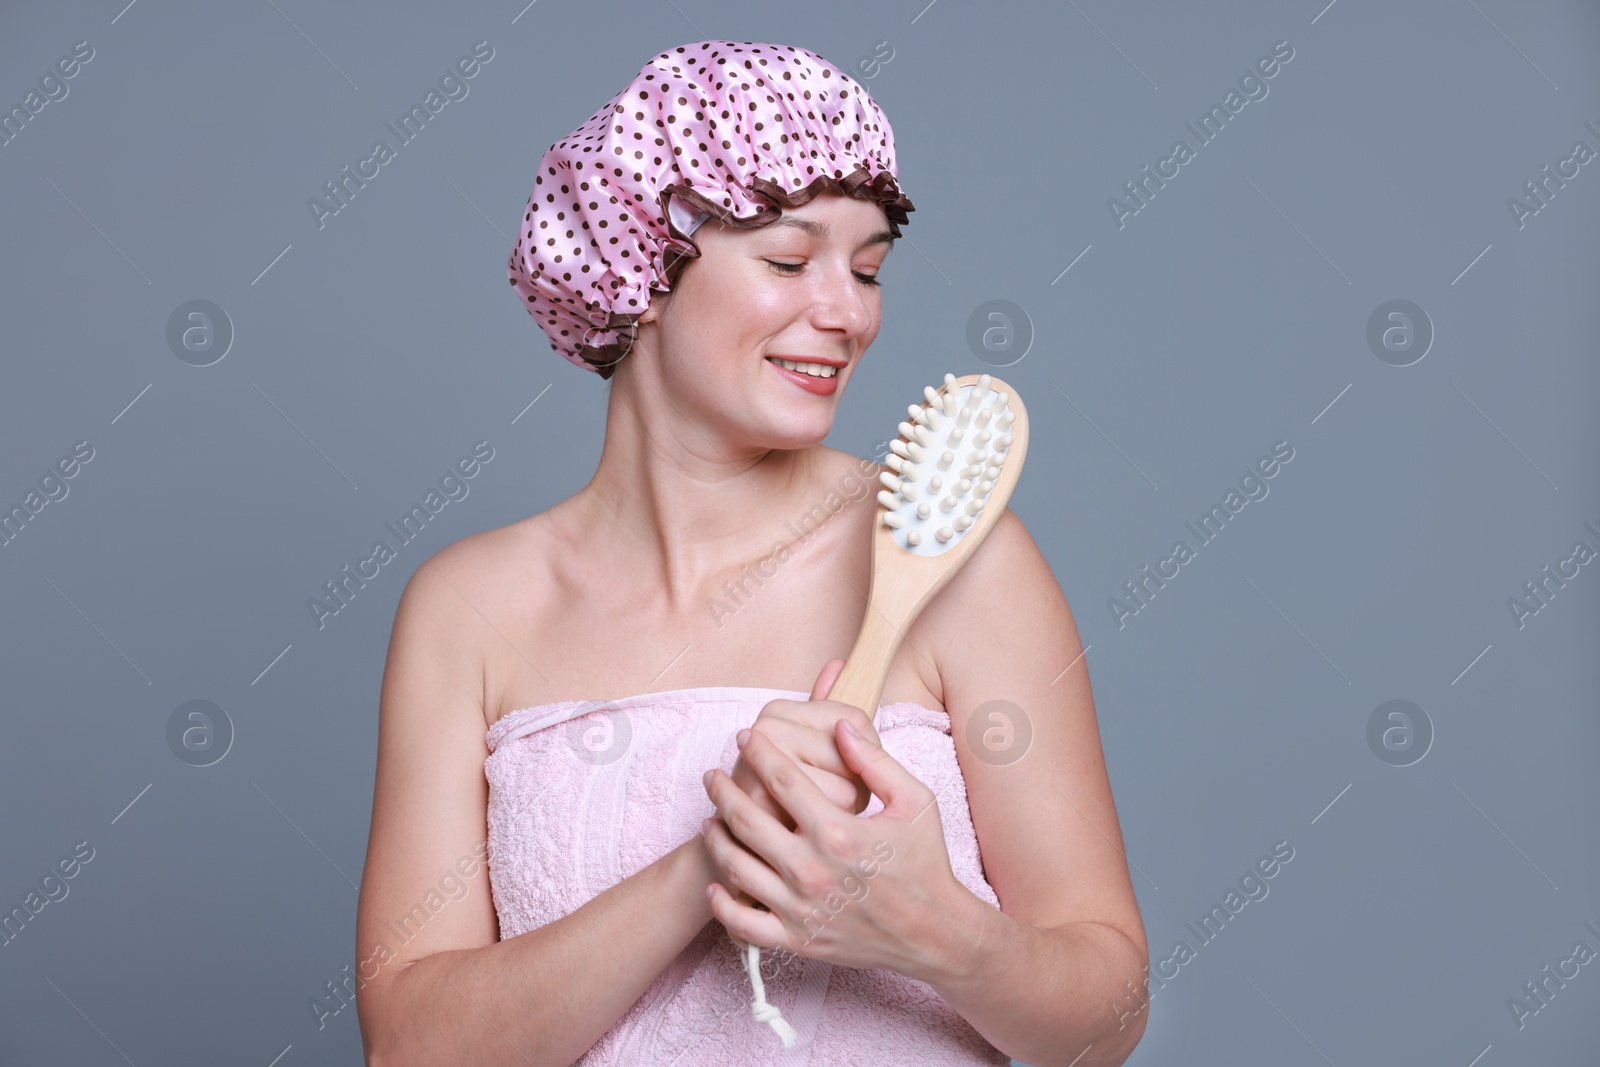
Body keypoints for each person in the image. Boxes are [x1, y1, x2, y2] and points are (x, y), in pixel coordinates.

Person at [354, 39, 1148, 1067]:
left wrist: (938, 929)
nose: (848, 312)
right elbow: (413, 1047)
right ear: (640, 269)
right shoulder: (470, 609)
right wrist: (712, 863)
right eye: (787, 260)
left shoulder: (951, 557)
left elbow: (1106, 1016)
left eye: (867, 268)